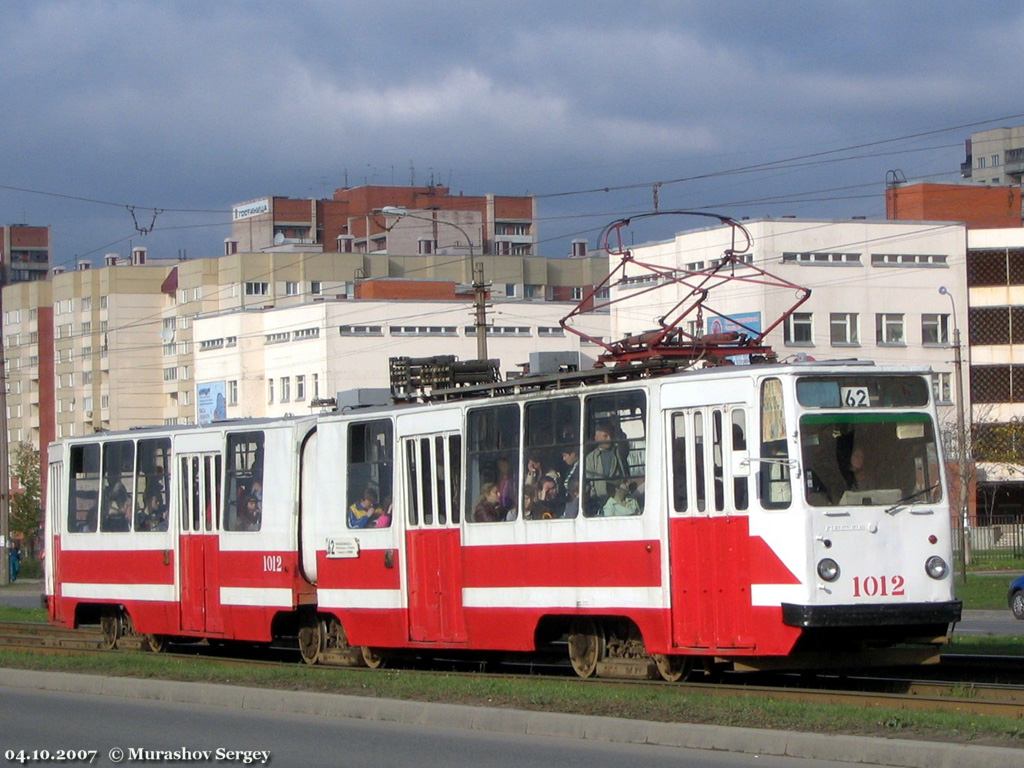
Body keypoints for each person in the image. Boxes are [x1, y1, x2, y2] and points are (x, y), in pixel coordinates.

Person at [584, 422, 627, 501]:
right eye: (605, 436)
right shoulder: (590, 458)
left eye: (611, 435)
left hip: (619, 499)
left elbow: (624, 445)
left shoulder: (618, 452)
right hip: (599, 499)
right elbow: (589, 482)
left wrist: (617, 426)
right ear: (596, 438)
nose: (609, 439)